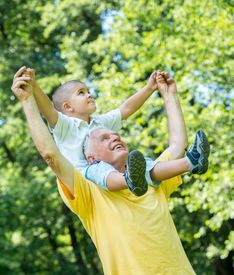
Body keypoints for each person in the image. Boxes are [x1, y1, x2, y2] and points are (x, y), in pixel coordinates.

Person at [12, 71, 216, 275]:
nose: (114, 136)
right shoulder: (89, 192)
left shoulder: (151, 181)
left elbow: (177, 147)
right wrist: (28, 98)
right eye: (104, 138)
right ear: (92, 156)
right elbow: (50, 153)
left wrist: (169, 96)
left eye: (116, 135)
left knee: (157, 167)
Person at [13, 67, 209, 198]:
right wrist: (35, 86)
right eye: (81, 93)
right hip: (87, 180)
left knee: (149, 165)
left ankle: (191, 162)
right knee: (99, 168)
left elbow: (126, 109)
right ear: (68, 107)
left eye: (88, 90)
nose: (89, 94)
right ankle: (128, 179)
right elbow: (48, 108)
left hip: (116, 173)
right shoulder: (65, 126)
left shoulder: (100, 123)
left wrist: (150, 88)